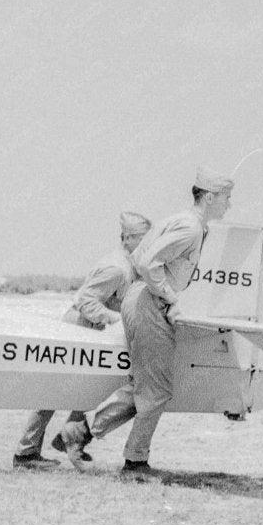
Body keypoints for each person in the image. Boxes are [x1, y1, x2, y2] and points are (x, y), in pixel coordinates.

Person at [65, 168, 235, 479]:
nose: (229, 205)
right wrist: (169, 297)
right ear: (210, 197)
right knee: (156, 389)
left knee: (146, 386)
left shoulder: (182, 221)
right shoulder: (191, 229)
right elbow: (146, 262)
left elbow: (143, 254)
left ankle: (82, 434)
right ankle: (133, 462)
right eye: (226, 198)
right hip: (149, 304)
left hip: (144, 300)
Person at [12, 210, 150, 470]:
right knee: (55, 392)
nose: (148, 245)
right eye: (143, 239)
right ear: (128, 238)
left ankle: (65, 441)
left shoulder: (127, 265)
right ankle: (26, 454)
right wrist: (114, 319)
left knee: (87, 390)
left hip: (90, 331)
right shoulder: (116, 268)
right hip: (78, 330)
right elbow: (85, 300)